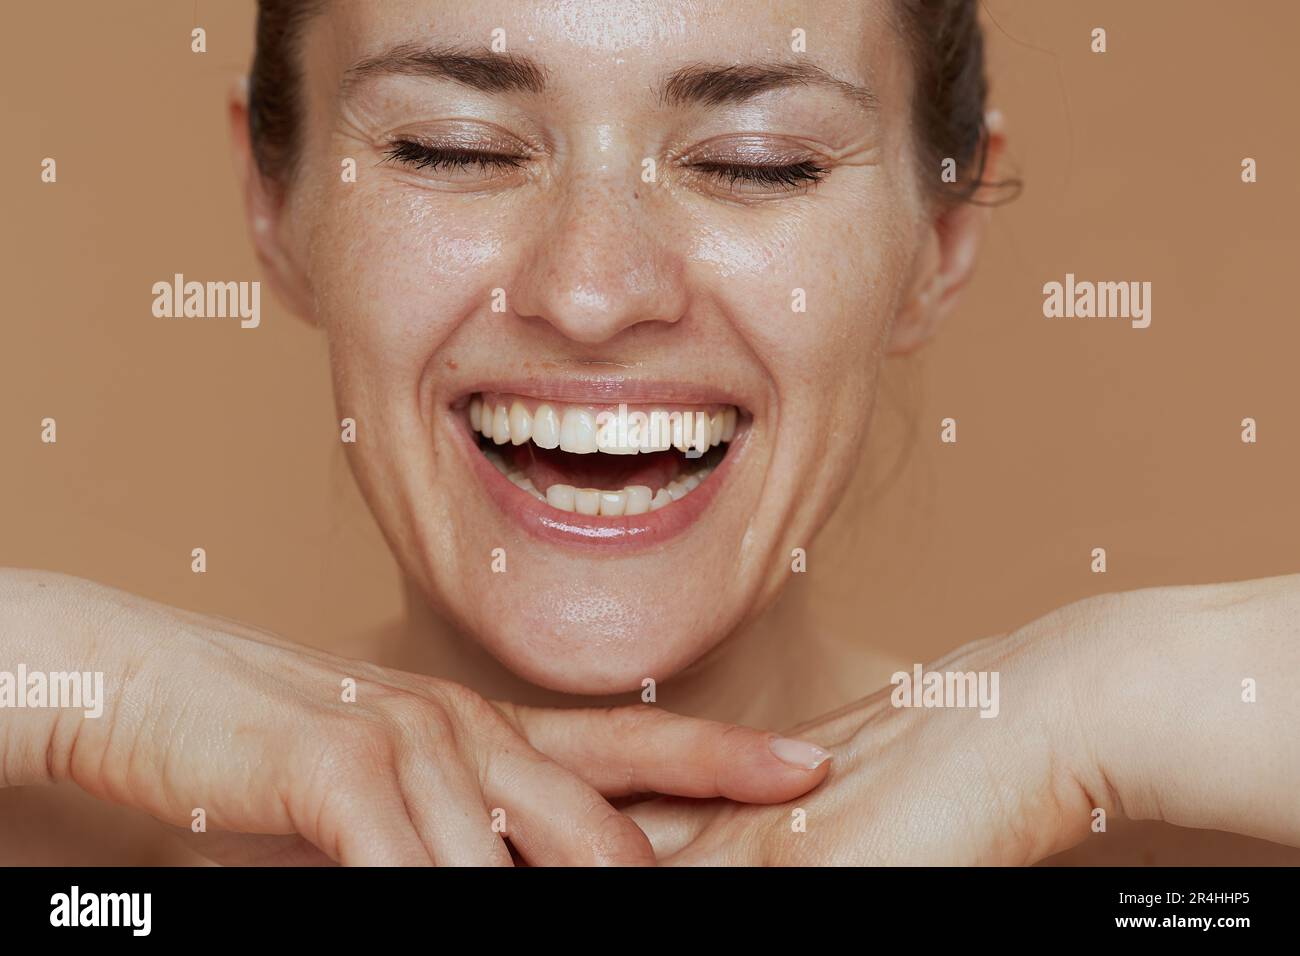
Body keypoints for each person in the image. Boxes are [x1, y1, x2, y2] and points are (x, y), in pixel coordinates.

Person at [2, 0, 1296, 866]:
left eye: (761, 159)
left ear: (938, 245)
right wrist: (74, 677)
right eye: (453, 147)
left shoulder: (1186, 846)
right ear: (273, 202)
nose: (593, 289)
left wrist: (1123, 691)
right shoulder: (77, 844)